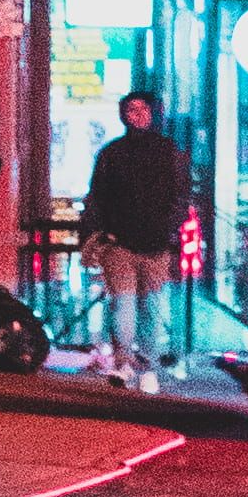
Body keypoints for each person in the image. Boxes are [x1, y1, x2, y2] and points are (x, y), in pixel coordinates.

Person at [81, 86, 191, 377]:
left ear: (151, 114)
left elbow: (96, 196)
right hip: (132, 242)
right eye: (132, 110)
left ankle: (129, 363)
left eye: (141, 110)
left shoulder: (115, 153)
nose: (137, 116)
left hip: (141, 240)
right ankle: (136, 363)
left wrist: (99, 232)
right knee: (135, 306)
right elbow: (181, 195)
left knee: (135, 305)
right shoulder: (167, 152)